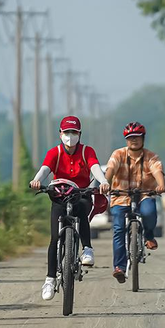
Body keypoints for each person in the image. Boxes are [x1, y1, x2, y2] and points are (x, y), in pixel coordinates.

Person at [29, 115, 109, 301]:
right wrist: (36, 180)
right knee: (55, 238)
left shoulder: (86, 151)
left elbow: (95, 166)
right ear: (60, 134)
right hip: (59, 197)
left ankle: (87, 248)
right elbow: (45, 168)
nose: (70, 136)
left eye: (74, 132)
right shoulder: (54, 152)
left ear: (80, 134)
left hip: (81, 194)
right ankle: (49, 279)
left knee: (81, 207)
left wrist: (103, 181)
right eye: (67, 132)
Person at [104, 122, 165, 283]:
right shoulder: (118, 154)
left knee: (149, 212)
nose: (134, 140)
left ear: (143, 138)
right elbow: (110, 170)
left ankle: (149, 235)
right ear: (126, 140)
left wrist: (161, 185)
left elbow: (157, 171)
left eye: (137, 137)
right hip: (121, 196)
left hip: (144, 194)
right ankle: (119, 267)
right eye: (130, 138)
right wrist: (105, 183)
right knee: (118, 229)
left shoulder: (151, 156)